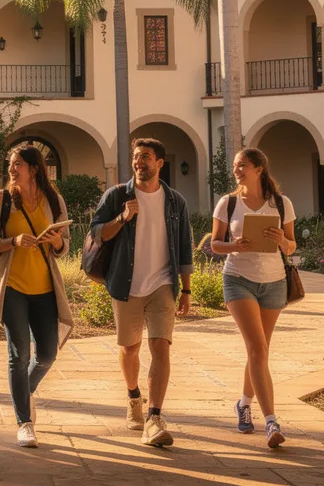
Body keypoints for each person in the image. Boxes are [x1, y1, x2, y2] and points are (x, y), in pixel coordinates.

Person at [88, 138, 194, 448]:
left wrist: (186, 289)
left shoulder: (176, 201)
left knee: (161, 347)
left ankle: (154, 417)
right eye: (136, 157)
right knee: (130, 349)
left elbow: (185, 246)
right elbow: (95, 233)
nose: (139, 162)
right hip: (126, 282)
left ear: (160, 163)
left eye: (145, 157)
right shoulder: (117, 196)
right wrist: (122, 218)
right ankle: (134, 395)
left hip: (162, 283)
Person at [0, 145, 72, 449]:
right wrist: (14, 241)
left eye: (17, 164)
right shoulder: (0, 201)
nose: (11, 169)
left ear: (33, 168)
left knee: (47, 354)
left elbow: (65, 245)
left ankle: (24, 393)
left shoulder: (54, 200)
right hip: (12, 288)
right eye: (9, 163)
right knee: (18, 356)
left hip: (45, 289)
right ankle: (24, 423)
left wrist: (57, 242)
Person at [209, 147, 296, 449]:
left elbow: (291, 246)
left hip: (274, 283)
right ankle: (271, 421)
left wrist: (282, 240)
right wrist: (234, 246)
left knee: (260, 351)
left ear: (258, 169)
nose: (237, 170)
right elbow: (214, 244)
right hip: (238, 280)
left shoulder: (281, 204)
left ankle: (244, 402)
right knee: (257, 347)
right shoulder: (228, 203)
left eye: (242, 165)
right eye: (235, 166)